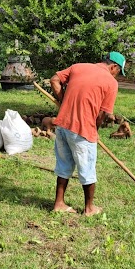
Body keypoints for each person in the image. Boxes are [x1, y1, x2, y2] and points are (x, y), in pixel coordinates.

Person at [49, 51, 125, 216]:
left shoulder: (79, 66)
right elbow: (102, 114)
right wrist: (94, 131)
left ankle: (59, 203)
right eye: (118, 72)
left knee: (63, 165)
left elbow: (54, 80)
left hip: (62, 125)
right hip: (82, 129)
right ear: (113, 67)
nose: (117, 76)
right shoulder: (111, 83)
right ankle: (89, 208)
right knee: (87, 168)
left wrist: (63, 100)